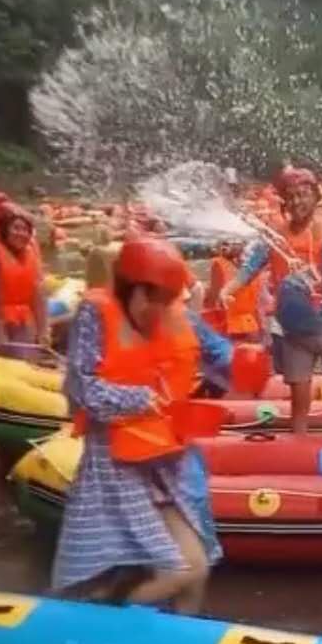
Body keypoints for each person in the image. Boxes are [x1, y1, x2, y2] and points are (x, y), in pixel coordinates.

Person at [51, 237, 222, 611]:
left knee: (196, 567)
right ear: (133, 289)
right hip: (114, 462)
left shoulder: (171, 314)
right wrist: (139, 399)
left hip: (162, 461)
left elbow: (214, 355)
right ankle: (99, 620)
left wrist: (246, 367)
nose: (156, 310)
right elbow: (82, 389)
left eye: (164, 300)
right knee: (169, 570)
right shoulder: (95, 313)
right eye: (151, 299)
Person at [226, 168, 322, 435]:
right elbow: (251, 265)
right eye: (291, 196)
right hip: (292, 327)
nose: (297, 201)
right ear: (284, 201)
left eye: (303, 195)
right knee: (299, 397)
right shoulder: (275, 236)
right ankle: (299, 452)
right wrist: (229, 288)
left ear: (315, 197)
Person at [0, 205, 48, 352]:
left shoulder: (31, 255)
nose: (22, 233)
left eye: (26, 230)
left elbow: (38, 295)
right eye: (16, 228)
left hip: (23, 318)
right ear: (4, 230)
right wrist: (0, 330)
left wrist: (42, 330)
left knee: (27, 362)